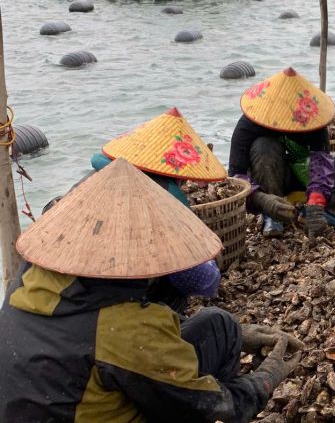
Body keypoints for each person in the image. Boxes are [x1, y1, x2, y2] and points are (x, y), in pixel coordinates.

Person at [0, 159, 302, 422]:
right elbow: (220, 405)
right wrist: (267, 378)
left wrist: (240, 333)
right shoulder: (126, 329)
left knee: (221, 326)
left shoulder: (31, 276)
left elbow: (82, 334)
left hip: (40, 403)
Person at [43, 107, 227, 313]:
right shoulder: (161, 203)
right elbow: (202, 282)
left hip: (60, 301)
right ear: (176, 174)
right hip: (115, 311)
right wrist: (212, 259)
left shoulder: (86, 182)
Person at [229, 67, 335, 238]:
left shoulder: (311, 119)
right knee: (263, 145)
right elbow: (235, 178)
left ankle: (319, 212)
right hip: (270, 178)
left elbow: (321, 163)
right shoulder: (249, 124)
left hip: (304, 170)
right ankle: (273, 217)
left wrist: (316, 203)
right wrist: (262, 199)